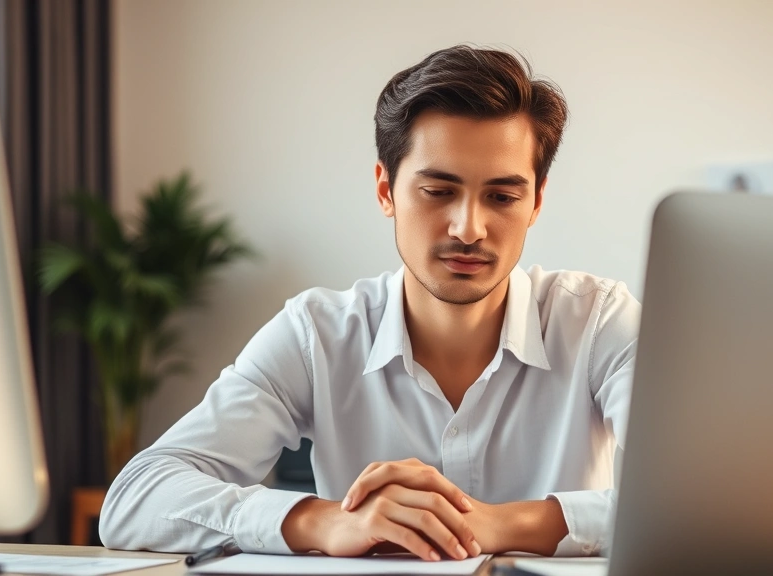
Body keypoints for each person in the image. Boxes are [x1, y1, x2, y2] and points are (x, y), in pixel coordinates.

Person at [99, 44, 640, 560]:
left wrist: (495, 522)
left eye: (502, 197)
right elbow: (135, 500)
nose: (469, 228)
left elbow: (696, 503)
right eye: (439, 191)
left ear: (536, 202)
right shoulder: (317, 334)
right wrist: (321, 521)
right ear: (386, 191)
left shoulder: (599, 323)